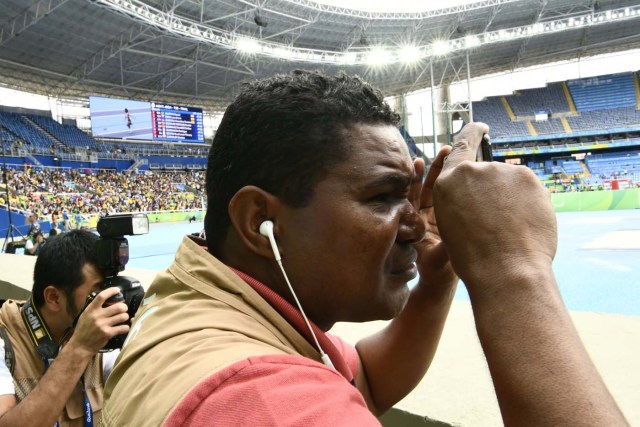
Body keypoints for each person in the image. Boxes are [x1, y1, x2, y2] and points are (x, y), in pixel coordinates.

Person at [102, 71, 627, 426]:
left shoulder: (204, 307)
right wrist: (513, 270)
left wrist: (440, 271)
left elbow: (366, 380)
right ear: (260, 220)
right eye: (382, 196)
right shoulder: (267, 403)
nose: (414, 225)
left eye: (410, 195)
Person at [0, 230, 131, 426]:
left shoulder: (100, 337)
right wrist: (79, 348)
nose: (109, 300)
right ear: (53, 298)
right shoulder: (5, 340)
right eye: (97, 292)